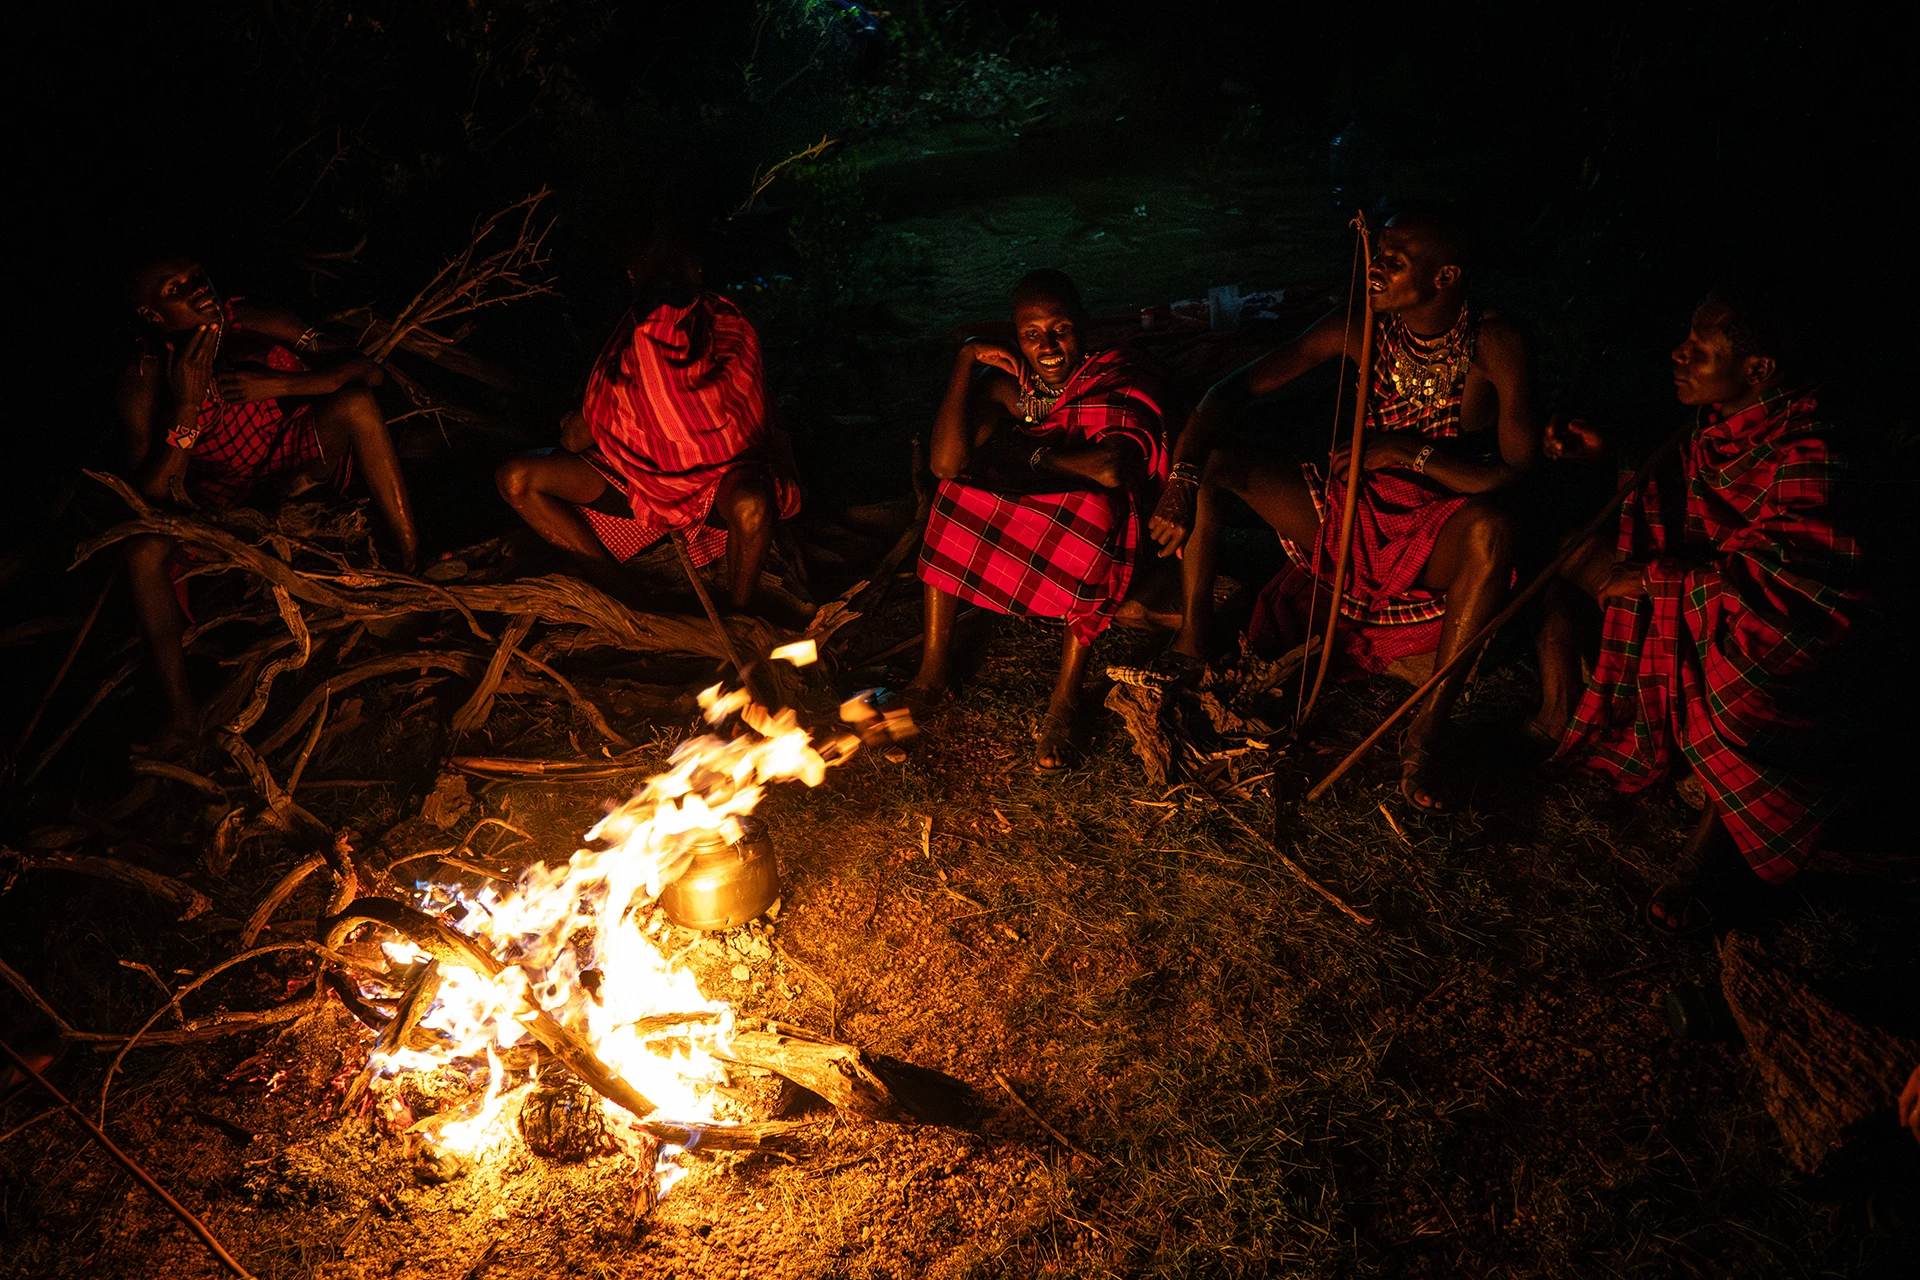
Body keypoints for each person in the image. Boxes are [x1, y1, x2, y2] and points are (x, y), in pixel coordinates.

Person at [1149, 210, 1538, 810]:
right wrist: (1181, 479)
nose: (1375, 269)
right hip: (1348, 508)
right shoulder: (1361, 328)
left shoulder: (1494, 345)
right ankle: (1194, 637)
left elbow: (1515, 472)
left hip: (1438, 523)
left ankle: (1427, 727)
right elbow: (1225, 392)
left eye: (1395, 261)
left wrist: (1406, 452)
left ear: (1446, 277)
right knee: (1217, 460)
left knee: (1494, 529)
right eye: (1377, 252)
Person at [1537, 283, 1865, 935]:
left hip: (1790, 623)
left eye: (1699, 348)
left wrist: (1661, 582)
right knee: (1563, 549)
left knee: (1736, 680)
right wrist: (1610, 456)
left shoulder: (1812, 449)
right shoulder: (1716, 424)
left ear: (1758, 370)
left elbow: (1792, 584)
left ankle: (1717, 846)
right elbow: (1686, 499)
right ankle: (1562, 713)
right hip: (1705, 593)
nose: (1677, 354)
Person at [118, 256, 419, 750]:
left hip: (280, 462)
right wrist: (188, 408)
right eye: (177, 289)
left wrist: (285, 384)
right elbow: (146, 498)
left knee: (357, 405)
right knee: (143, 551)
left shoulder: (252, 321)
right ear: (152, 314)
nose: (197, 289)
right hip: (207, 504)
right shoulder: (147, 377)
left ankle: (412, 560)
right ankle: (181, 712)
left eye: (196, 276)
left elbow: (370, 373)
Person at [907, 269, 1168, 772]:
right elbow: (945, 462)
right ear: (1015, 337)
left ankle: (1064, 699)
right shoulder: (1011, 386)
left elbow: (1111, 470)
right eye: (1031, 334)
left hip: (1100, 521)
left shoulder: (1114, 379)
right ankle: (932, 672)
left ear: (1083, 326)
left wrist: (1028, 456)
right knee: (951, 494)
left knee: (1092, 510)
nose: (1047, 346)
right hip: (1033, 503)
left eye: (1060, 329)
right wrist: (965, 361)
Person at [495, 223, 798, 613]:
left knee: (753, 503)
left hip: (715, 488)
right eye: (657, 272)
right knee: (516, 478)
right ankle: (630, 600)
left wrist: (606, 415)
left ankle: (740, 615)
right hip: (633, 483)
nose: (665, 283)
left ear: (697, 272)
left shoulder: (728, 330)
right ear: (634, 278)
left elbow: (746, 434)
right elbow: (575, 440)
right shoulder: (627, 335)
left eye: (670, 269)